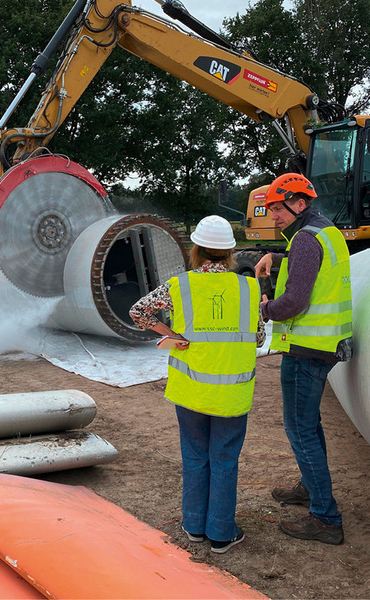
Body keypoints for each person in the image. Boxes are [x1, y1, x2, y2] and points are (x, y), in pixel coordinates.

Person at [130, 215, 264, 554]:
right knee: (224, 459)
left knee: (194, 455)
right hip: (232, 393)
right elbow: (260, 337)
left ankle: (193, 526)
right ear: (231, 252)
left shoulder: (179, 286)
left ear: (197, 250)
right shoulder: (249, 288)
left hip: (190, 392)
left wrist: (171, 334)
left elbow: (139, 312)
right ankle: (221, 533)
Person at [254, 172, 353, 546]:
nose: (273, 216)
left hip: (308, 349)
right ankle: (310, 488)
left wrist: (266, 308)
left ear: (299, 203)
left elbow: (294, 302)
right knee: (308, 425)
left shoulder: (307, 239)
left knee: (299, 428)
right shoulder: (324, 232)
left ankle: (326, 519)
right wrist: (276, 255)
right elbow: (311, 263)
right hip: (323, 346)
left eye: (277, 209)